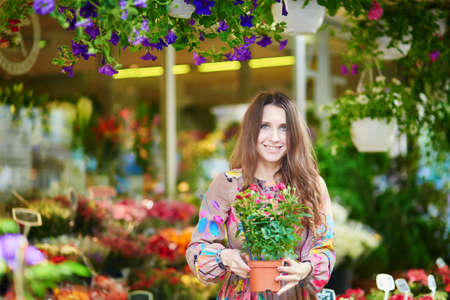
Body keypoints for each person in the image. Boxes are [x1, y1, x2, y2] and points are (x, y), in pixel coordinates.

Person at [186, 91, 335, 300]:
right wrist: (224, 257)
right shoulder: (227, 184)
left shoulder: (311, 185)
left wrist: (306, 268)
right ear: (251, 131)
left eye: (284, 128)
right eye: (265, 126)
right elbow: (197, 249)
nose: (274, 137)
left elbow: (325, 247)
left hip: (291, 295)